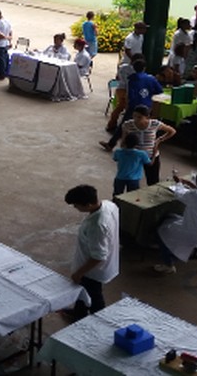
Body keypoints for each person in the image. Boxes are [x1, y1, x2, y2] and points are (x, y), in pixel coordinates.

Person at [64, 184, 120, 318]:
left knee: (94, 294)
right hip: (98, 262)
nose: (75, 208)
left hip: (93, 269)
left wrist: (79, 272)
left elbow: (99, 256)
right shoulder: (109, 205)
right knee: (84, 291)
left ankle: (98, 319)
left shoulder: (97, 225)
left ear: (88, 204)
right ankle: (79, 312)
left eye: (76, 205)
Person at [154, 170, 197, 274]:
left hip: (196, 234)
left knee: (162, 230)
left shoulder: (196, 196)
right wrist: (188, 183)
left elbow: (179, 194)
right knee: (172, 217)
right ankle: (174, 253)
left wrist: (178, 183)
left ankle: (168, 264)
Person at [101, 61, 164, 150]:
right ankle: (145, 147)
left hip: (134, 106)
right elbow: (159, 90)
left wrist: (128, 105)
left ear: (133, 68)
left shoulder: (132, 79)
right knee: (145, 126)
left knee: (123, 125)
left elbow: (131, 95)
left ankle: (111, 144)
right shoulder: (151, 78)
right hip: (147, 105)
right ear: (145, 68)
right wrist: (149, 93)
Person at [112, 132, 151, 197]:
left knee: (117, 195)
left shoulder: (118, 151)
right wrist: (155, 153)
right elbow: (149, 164)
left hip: (120, 177)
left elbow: (115, 159)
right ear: (137, 144)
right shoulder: (141, 154)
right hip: (134, 179)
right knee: (132, 197)